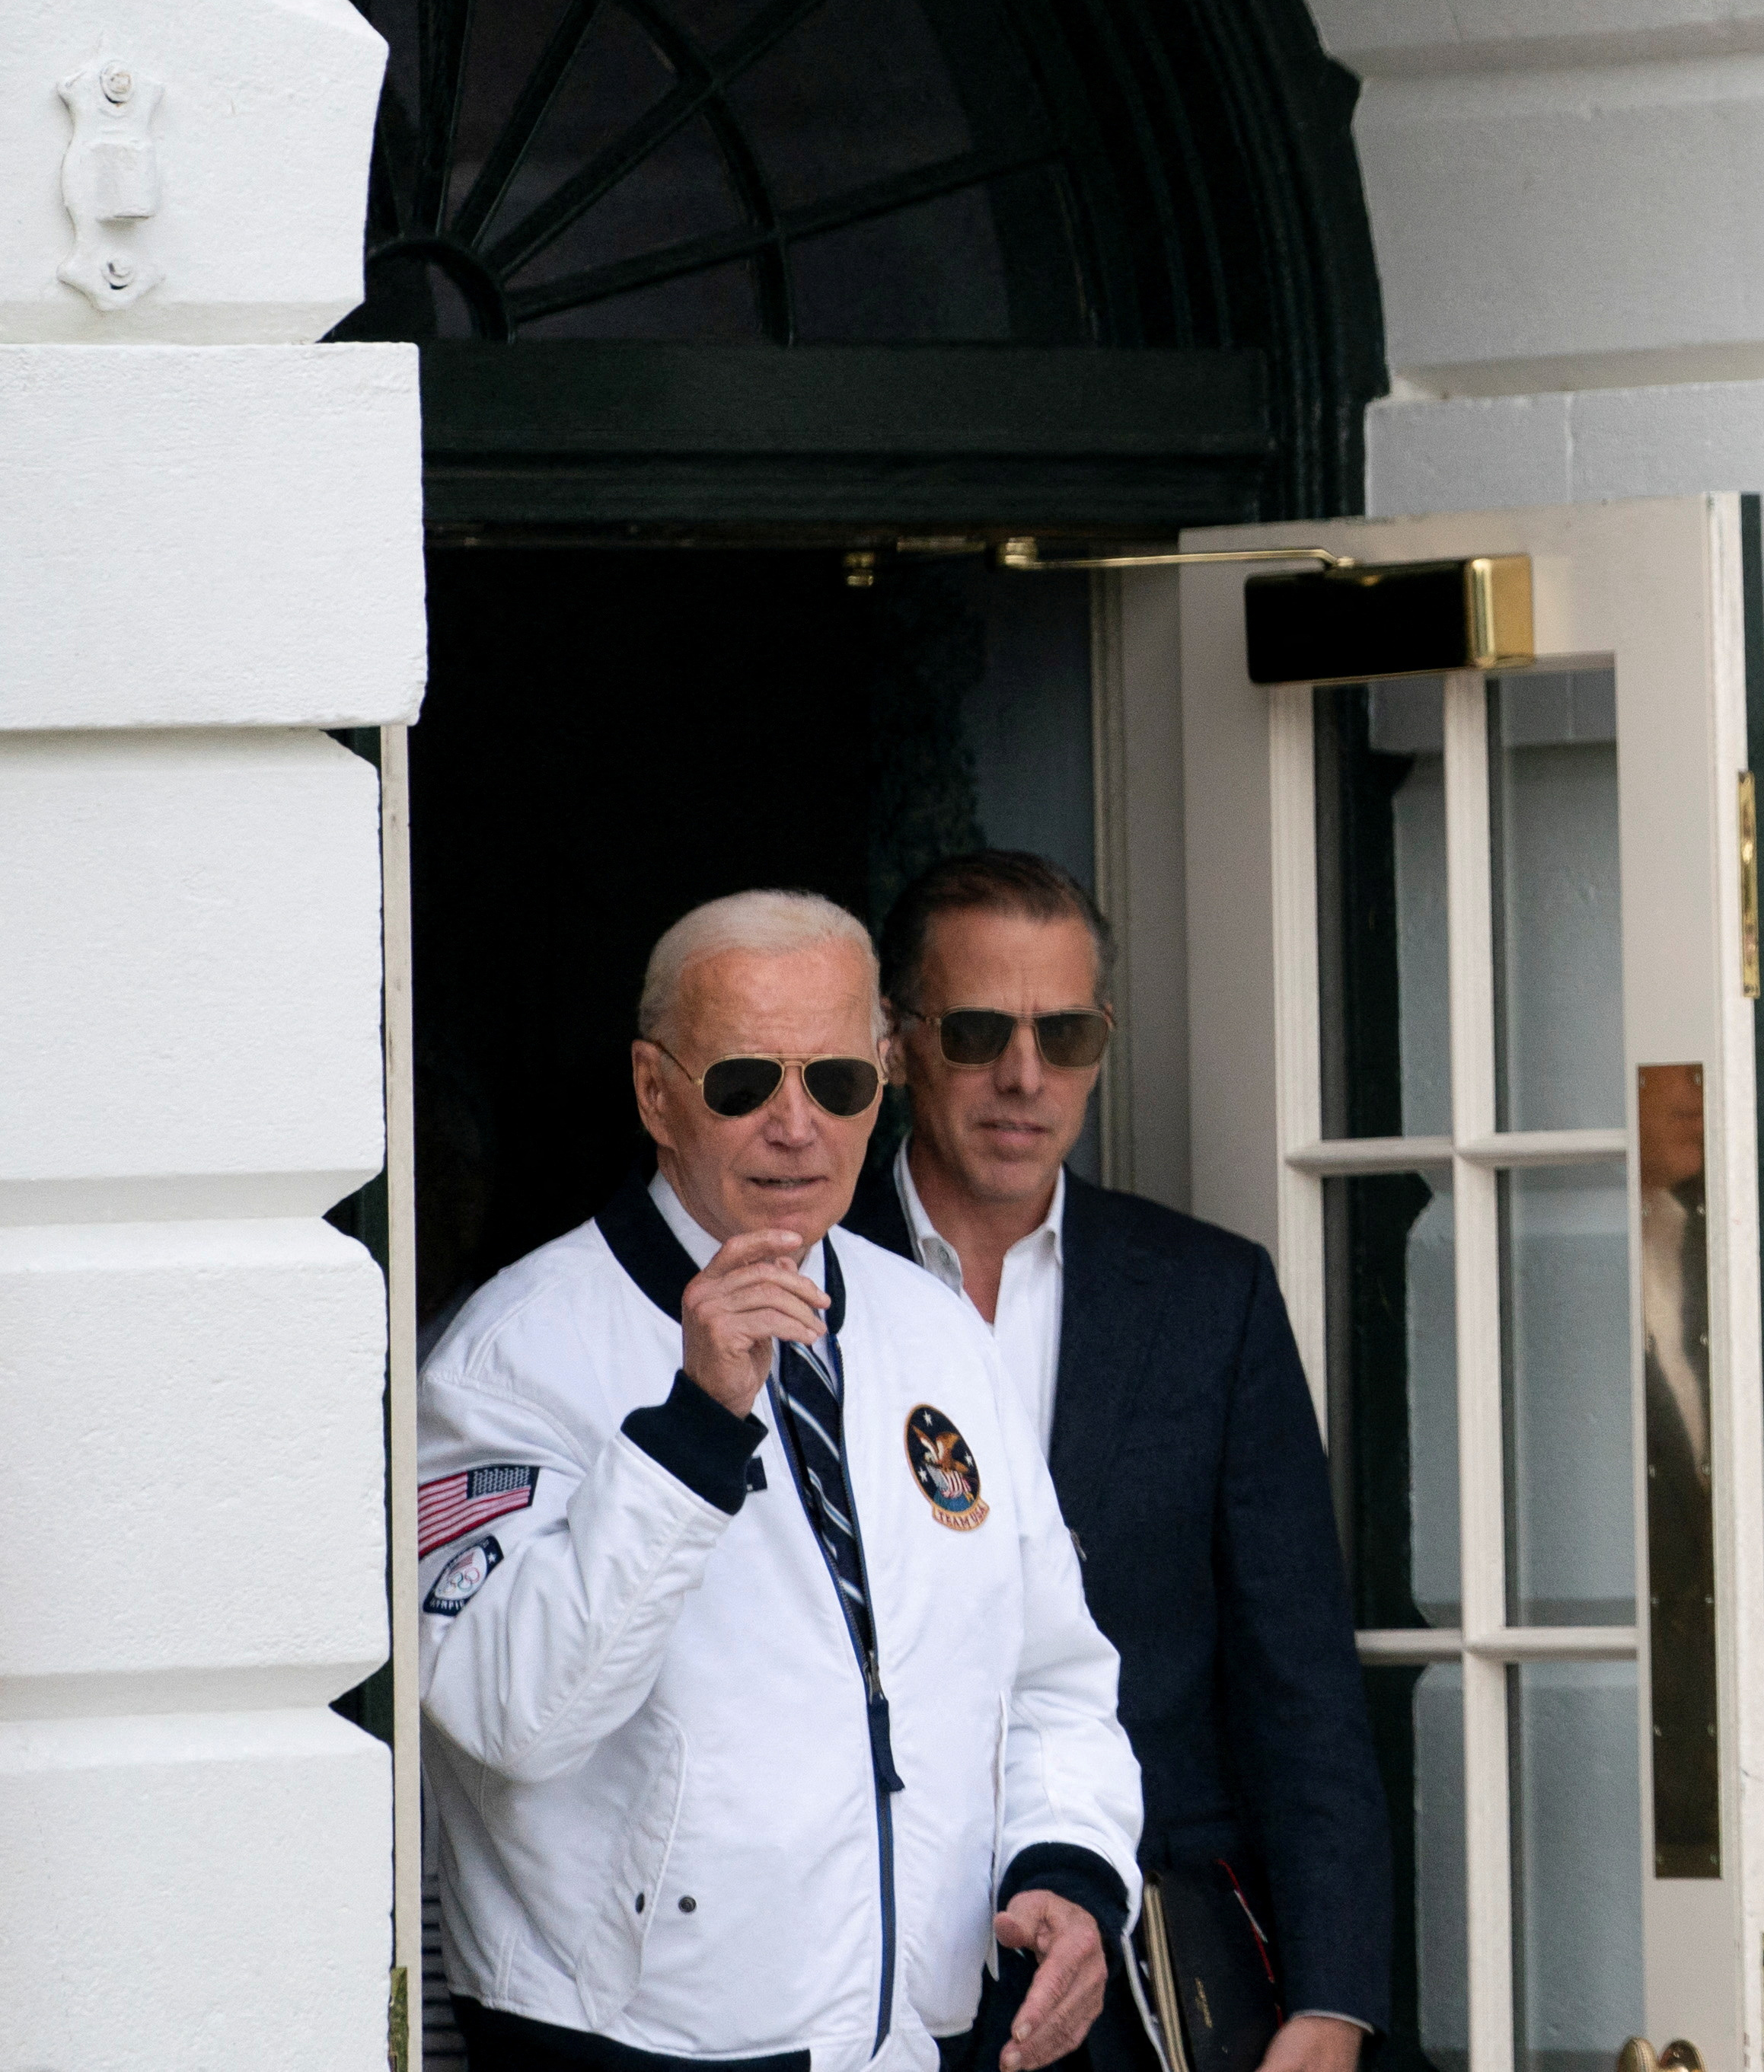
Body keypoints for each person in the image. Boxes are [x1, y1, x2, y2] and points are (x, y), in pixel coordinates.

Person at [417, 887, 1141, 2072]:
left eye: (837, 1083)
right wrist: (694, 1427)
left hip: (917, 2035)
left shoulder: (933, 1329)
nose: (795, 1125)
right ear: (656, 1091)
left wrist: (1065, 1865)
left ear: (882, 1077)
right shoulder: (514, 1351)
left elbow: (1053, 1671)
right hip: (630, 2045)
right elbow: (514, 1715)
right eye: (745, 1080)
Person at [847, 851, 1387, 2072]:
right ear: (897, 1040)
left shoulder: (1209, 1295)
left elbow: (1297, 1672)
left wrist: (1334, 1993)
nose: (1026, 1075)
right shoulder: (805, 1272)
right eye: (980, 1028)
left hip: (1147, 1972)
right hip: (869, 1955)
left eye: (1068, 1032)